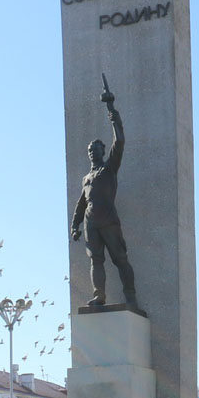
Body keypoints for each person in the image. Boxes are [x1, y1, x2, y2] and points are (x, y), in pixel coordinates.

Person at [70, 86, 137, 307]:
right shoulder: (86, 177)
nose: (92, 152)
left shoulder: (109, 169)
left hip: (108, 218)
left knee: (120, 259)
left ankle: (130, 296)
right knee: (95, 260)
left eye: (96, 149)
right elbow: (81, 203)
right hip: (91, 221)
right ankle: (99, 295)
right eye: (90, 150)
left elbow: (120, 142)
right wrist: (75, 225)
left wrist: (112, 112)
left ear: (102, 151)